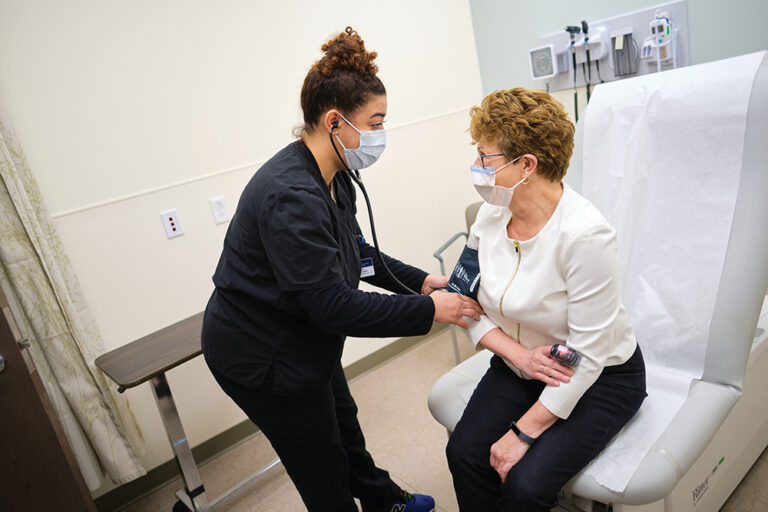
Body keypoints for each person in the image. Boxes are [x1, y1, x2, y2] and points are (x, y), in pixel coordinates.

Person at [201, 27, 482, 512]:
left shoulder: (334, 176)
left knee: (345, 427)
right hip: (261, 353)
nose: (380, 134)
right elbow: (332, 306)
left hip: (302, 333)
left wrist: (417, 280)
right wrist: (428, 310)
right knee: (322, 466)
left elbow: (356, 250)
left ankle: (381, 501)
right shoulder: (291, 196)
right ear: (335, 121)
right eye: (375, 122)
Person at [445, 88, 647, 511]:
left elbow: (588, 354)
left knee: (525, 484)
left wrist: (522, 433)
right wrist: (519, 356)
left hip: (601, 377)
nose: (476, 168)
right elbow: (464, 302)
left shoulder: (585, 235)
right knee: (463, 453)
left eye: (486, 158)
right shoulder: (490, 215)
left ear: (527, 166)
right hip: (524, 363)